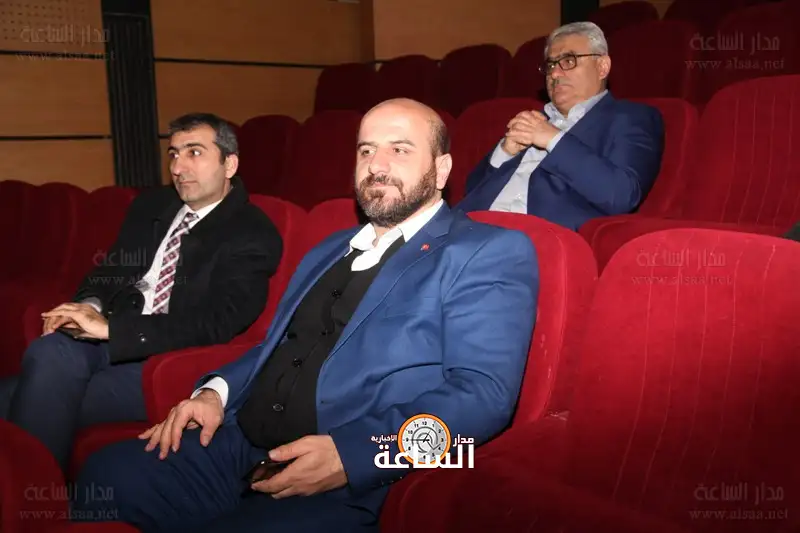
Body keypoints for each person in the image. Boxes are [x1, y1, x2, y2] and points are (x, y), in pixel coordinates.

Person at [71, 99, 539, 533]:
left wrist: (355, 456)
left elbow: (484, 397)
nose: (376, 165)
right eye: (366, 150)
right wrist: (216, 392)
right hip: (241, 444)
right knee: (106, 477)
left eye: (399, 150)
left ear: (441, 169)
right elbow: (280, 345)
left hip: (347, 479)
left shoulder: (485, 251)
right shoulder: (328, 249)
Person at [6, 113, 283, 472]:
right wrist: (87, 306)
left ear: (229, 164)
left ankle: (32, 495)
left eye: (194, 153)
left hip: (168, 360)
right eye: (174, 154)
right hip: (112, 336)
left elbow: (217, 323)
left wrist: (112, 330)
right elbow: (109, 272)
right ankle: (30, 493)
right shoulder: (152, 206)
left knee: (31, 396)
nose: (178, 167)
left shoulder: (253, 232)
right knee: (48, 351)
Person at [456, 21, 665, 231]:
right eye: (551, 65)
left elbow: (621, 195)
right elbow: (471, 192)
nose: (555, 74)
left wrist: (553, 140)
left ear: (602, 67)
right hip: (467, 229)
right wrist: (504, 153)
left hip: (532, 236)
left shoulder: (631, 117)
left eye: (568, 61)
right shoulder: (533, 120)